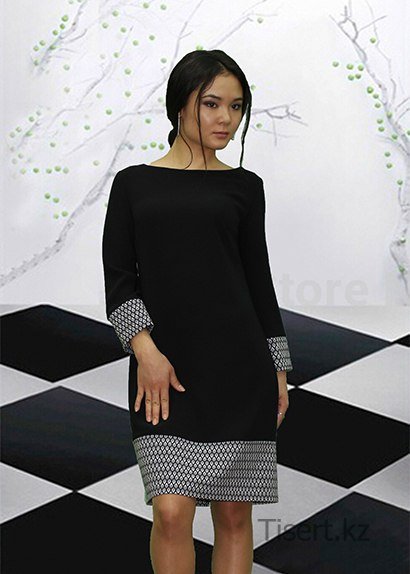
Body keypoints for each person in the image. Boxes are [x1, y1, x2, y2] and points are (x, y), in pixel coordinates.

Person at [102, 49, 293, 574]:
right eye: (211, 104)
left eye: (236, 106)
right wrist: (146, 353)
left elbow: (258, 282)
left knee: (232, 515)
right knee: (170, 513)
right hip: (165, 372)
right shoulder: (133, 183)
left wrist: (278, 370)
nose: (225, 118)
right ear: (180, 105)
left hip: (240, 371)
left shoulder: (245, 187)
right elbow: (119, 279)